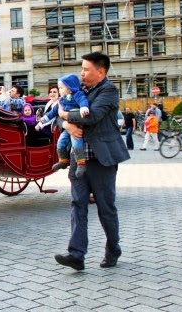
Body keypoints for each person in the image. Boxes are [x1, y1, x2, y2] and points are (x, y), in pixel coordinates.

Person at [54, 52, 130, 271]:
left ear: (101, 71)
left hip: (101, 159)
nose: (81, 73)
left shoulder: (109, 90)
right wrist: (65, 124)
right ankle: (76, 255)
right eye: (81, 68)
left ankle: (113, 248)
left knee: (106, 208)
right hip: (80, 160)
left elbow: (92, 116)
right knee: (78, 205)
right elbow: (58, 113)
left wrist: (66, 117)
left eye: (86, 69)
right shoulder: (77, 91)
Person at [36, 74, 89, 177]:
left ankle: (81, 164)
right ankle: (63, 160)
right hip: (67, 128)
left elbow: (83, 101)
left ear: (69, 88)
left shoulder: (77, 94)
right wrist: (41, 122)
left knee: (76, 144)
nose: (59, 90)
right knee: (60, 143)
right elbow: (52, 113)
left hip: (77, 125)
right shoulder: (61, 100)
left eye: (61, 88)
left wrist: (83, 108)